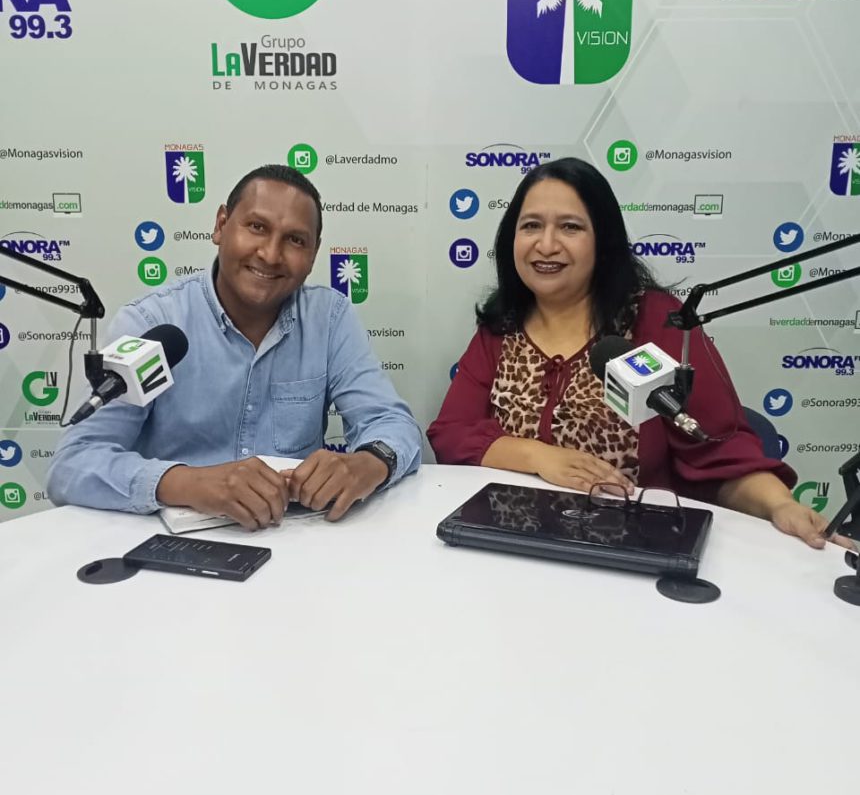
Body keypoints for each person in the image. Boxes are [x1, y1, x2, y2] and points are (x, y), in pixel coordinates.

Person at [428, 158, 853, 551]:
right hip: (512, 542)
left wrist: (780, 505)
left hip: (628, 548)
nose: (547, 244)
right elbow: (451, 434)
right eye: (531, 226)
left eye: (571, 227)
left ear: (603, 241)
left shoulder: (655, 323)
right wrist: (538, 457)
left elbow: (720, 454)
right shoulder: (501, 326)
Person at [48, 165, 422, 527]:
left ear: (313, 253)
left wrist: (368, 462)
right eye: (257, 227)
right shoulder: (151, 321)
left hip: (295, 540)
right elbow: (74, 463)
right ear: (221, 225)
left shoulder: (329, 318)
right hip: (170, 550)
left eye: (295, 240)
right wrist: (190, 484)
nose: (270, 254)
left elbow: (391, 423)